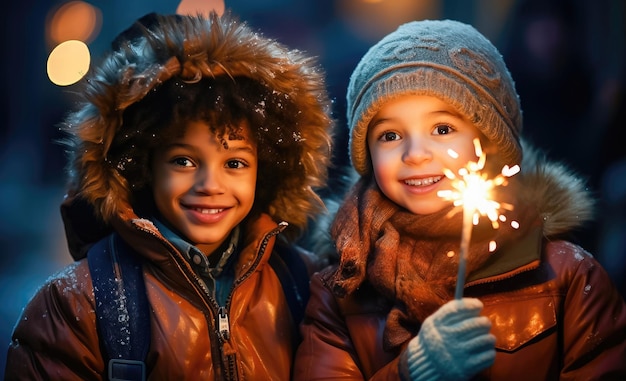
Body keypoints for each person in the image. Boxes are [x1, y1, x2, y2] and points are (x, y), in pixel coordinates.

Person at [5, 11, 334, 380]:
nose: (210, 184)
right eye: (184, 160)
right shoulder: (79, 303)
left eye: (236, 163)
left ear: (268, 169)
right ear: (143, 166)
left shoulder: (306, 284)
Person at [293, 19, 626, 380]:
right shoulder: (339, 292)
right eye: (389, 135)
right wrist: (411, 372)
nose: (415, 154)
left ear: (488, 140)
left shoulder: (566, 277)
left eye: (442, 129)